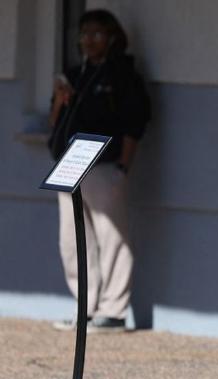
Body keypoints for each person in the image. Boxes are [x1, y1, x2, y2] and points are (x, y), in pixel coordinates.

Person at [48, 9, 151, 333]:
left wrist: (123, 166)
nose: (87, 41)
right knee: (72, 239)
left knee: (113, 237)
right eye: (83, 34)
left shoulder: (123, 75)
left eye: (95, 34)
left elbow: (135, 122)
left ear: (111, 37)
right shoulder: (74, 74)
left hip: (105, 165)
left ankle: (113, 310)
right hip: (69, 165)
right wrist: (60, 100)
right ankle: (85, 307)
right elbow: (55, 122)